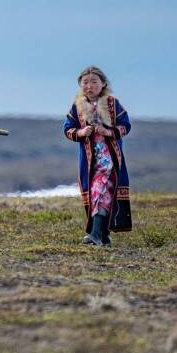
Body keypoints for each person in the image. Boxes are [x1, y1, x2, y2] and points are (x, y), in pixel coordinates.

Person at [63, 66, 133, 246]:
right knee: (99, 195)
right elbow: (67, 129)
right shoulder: (76, 107)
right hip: (89, 163)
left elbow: (126, 125)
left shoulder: (113, 103)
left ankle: (95, 235)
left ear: (103, 84)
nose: (89, 86)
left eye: (94, 82)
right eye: (85, 82)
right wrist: (81, 132)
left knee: (100, 191)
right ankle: (103, 235)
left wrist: (109, 132)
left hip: (110, 161)